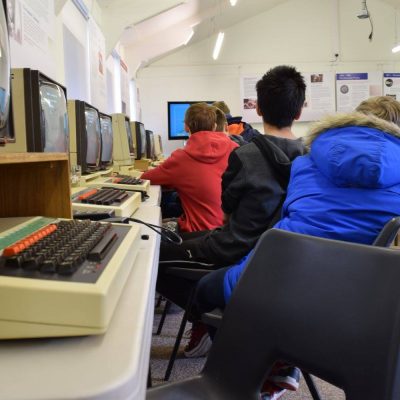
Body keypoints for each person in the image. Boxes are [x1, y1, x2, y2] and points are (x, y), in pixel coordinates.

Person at [194, 95, 400, 399]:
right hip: (357, 310)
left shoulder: (306, 160)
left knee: (206, 289)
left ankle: (255, 374)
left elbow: (291, 217)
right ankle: (278, 366)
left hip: (281, 282)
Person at [157, 65, 307, 358]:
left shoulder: (244, 155)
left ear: (259, 109)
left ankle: (210, 316)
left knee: (154, 255)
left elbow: (226, 218)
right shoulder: (309, 158)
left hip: (234, 249)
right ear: (300, 112)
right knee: (179, 243)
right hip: (281, 256)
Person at [141, 103, 238, 233]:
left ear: (186, 127)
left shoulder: (181, 158)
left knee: (149, 234)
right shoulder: (236, 149)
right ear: (215, 126)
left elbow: (146, 179)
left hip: (200, 237)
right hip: (233, 235)